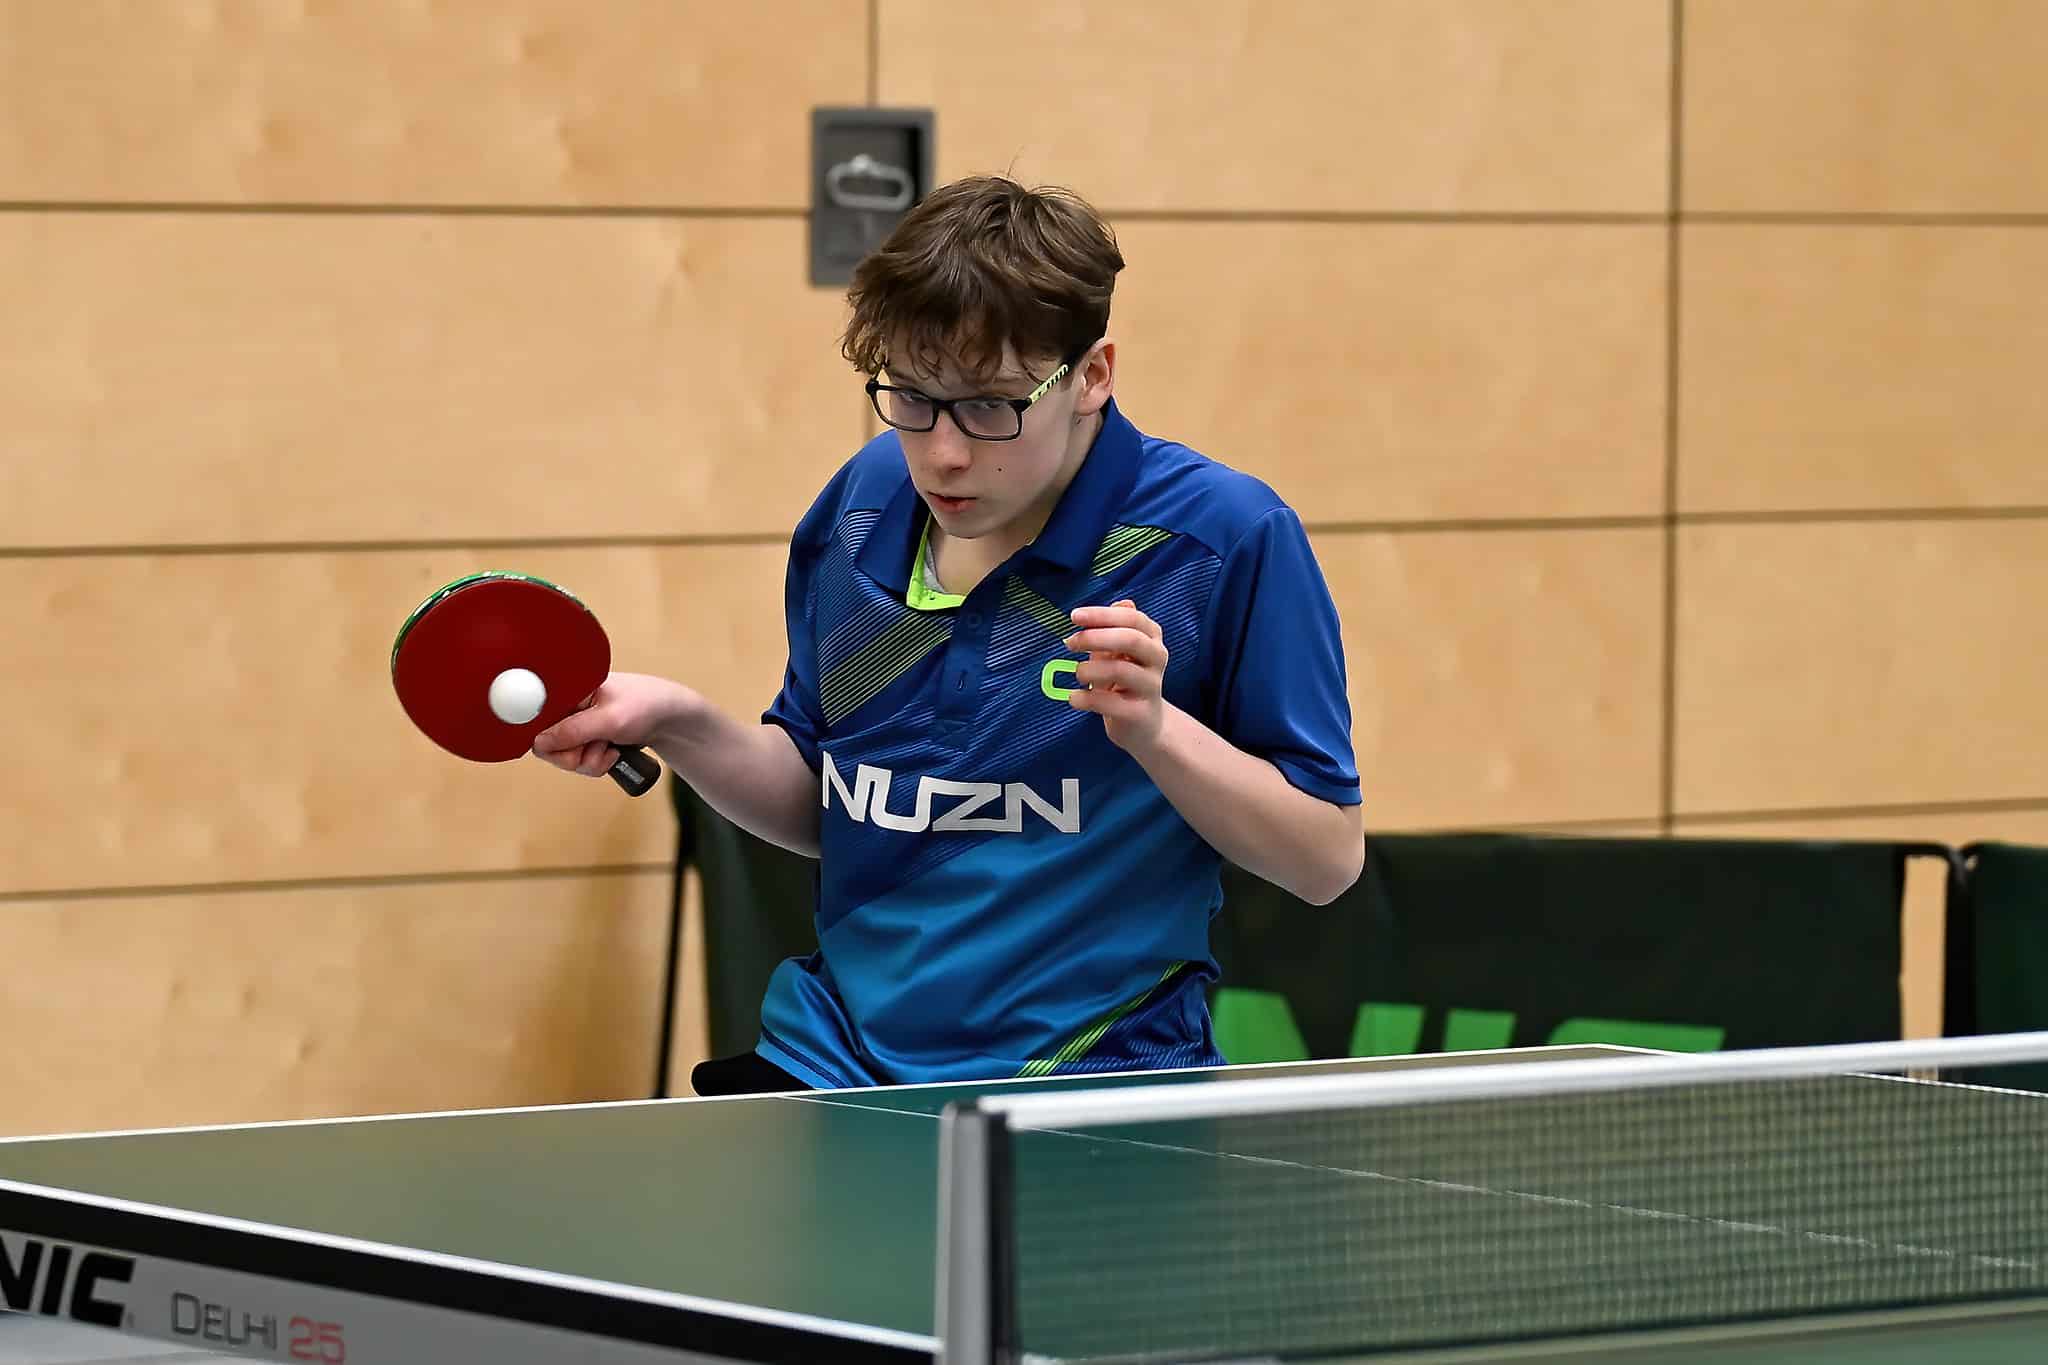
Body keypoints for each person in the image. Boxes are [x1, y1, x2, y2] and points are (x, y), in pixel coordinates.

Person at [534, 175, 1363, 1094]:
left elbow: (1326, 858)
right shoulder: (862, 511)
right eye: (913, 397)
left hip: (1089, 1084)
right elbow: (832, 804)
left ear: (1092, 375)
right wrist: (678, 721)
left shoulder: (1216, 541)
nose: (943, 452)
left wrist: (1158, 732)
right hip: (835, 1066)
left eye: (990, 405)